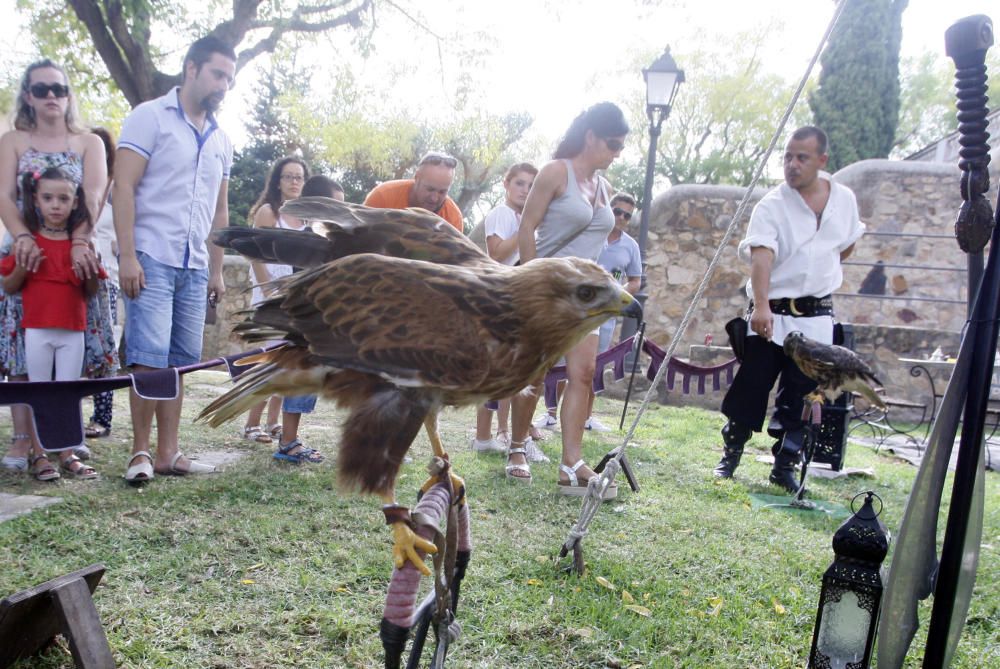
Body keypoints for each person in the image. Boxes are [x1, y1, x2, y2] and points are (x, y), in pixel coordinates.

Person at [712, 126, 864, 492]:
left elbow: (847, 245)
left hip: (816, 318)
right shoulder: (772, 205)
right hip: (773, 312)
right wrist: (761, 306)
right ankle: (730, 455)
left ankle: (784, 465)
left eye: (802, 157)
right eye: (788, 156)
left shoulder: (843, 200)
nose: (792, 165)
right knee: (752, 384)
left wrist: (822, 268)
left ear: (822, 160)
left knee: (801, 393)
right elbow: (761, 258)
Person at [114, 36, 236, 483]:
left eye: (230, 78)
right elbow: (122, 188)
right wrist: (127, 255)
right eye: (217, 74)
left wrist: (217, 268)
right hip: (151, 254)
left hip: (195, 264)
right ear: (191, 69)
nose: (224, 85)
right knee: (148, 360)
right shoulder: (150, 118)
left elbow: (219, 212)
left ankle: (169, 453)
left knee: (182, 362)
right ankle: (140, 453)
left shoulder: (223, 140)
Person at [508, 101, 629, 498]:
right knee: (535, 373)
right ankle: (517, 446)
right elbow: (527, 228)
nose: (616, 153)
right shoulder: (555, 172)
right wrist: (531, 283)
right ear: (591, 136)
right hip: (549, 288)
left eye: (621, 146)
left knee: (582, 374)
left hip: (587, 296)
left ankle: (570, 462)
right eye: (612, 144)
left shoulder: (604, 187)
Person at [0, 59, 107, 480]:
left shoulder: (89, 143)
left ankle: (64, 444)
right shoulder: (13, 140)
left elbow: (93, 196)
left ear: (68, 94)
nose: (50, 97)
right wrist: (23, 238)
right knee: (25, 355)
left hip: (74, 248)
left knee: (68, 362)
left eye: (58, 90)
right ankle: (25, 439)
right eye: (41, 89)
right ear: (28, 95)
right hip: (25, 248)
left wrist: (79, 239)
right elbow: (5, 196)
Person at [470, 162, 549, 460]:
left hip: (525, 299)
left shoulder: (533, 219)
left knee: (518, 370)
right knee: (496, 370)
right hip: (501, 297)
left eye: (531, 186)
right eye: (520, 183)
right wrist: (526, 226)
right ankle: (486, 435)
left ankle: (511, 432)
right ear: (506, 184)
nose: (525, 190)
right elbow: (498, 253)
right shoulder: (501, 215)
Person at [269, 173, 346, 464]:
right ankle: (288, 441)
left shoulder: (327, 242)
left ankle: (289, 438)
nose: (341, 213)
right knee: (301, 381)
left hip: (320, 325)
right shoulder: (309, 241)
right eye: (335, 206)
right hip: (306, 325)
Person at [242, 156, 310, 445]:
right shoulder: (269, 212)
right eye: (288, 177)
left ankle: (273, 423)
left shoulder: (307, 216)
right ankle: (251, 424)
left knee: (288, 361)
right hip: (270, 293)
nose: (294, 182)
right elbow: (255, 252)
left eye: (299, 177)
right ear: (278, 181)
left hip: (294, 297)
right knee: (270, 361)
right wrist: (268, 289)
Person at [84, 126, 120, 440]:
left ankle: (102, 417)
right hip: (74, 276)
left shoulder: (116, 192)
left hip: (107, 279)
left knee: (104, 348)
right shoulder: (72, 188)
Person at [363, 151, 464, 231]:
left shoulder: (453, 219)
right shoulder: (383, 196)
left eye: (442, 192)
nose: (434, 198)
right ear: (416, 178)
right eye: (430, 189)